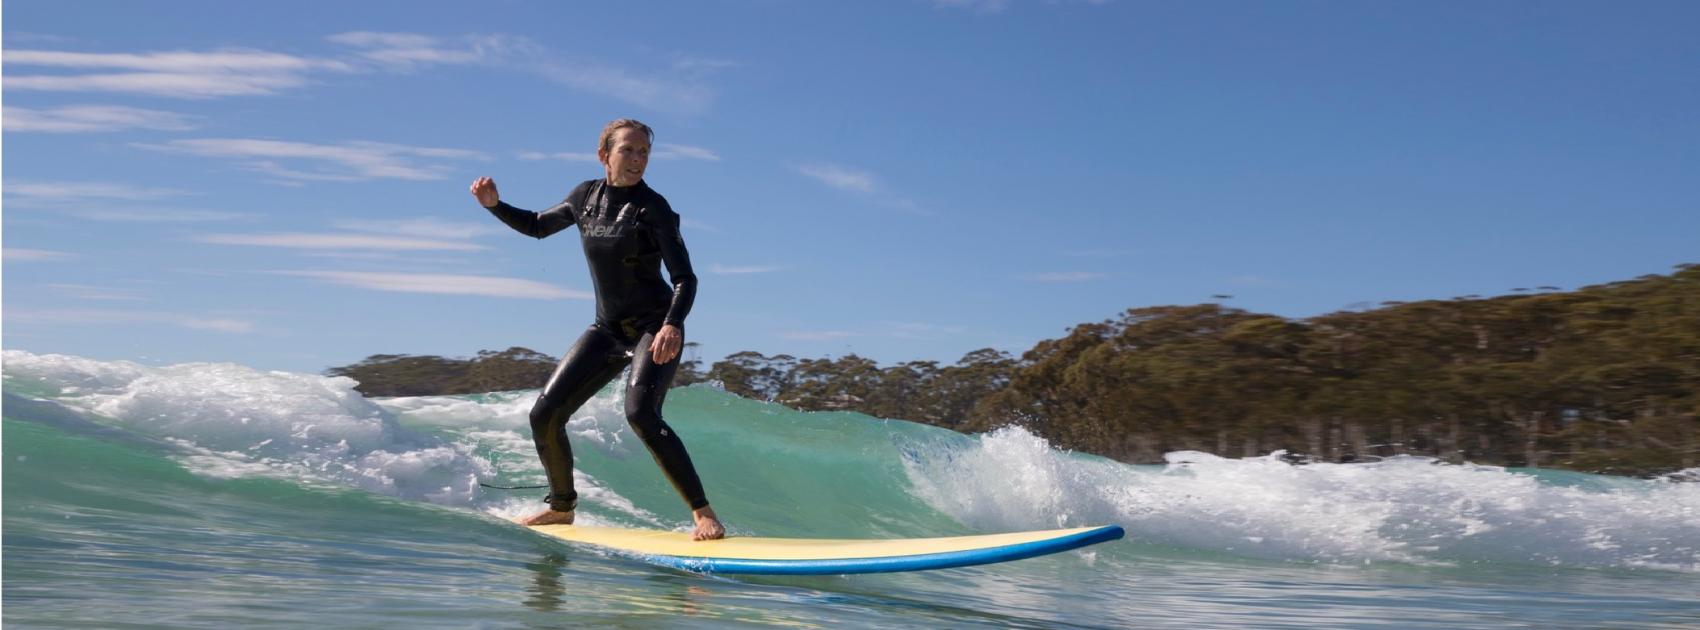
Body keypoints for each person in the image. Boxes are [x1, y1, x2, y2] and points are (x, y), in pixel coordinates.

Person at [470, 118, 725, 540]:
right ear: (604, 154)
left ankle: (703, 513)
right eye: (628, 150)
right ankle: (561, 507)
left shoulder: (653, 207)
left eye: (644, 152)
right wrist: (496, 206)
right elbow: (537, 225)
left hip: (654, 327)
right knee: (545, 415)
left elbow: (685, 278)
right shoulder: (584, 196)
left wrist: (673, 325)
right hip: (606, 329)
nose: (638, 159)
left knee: (641, 413)